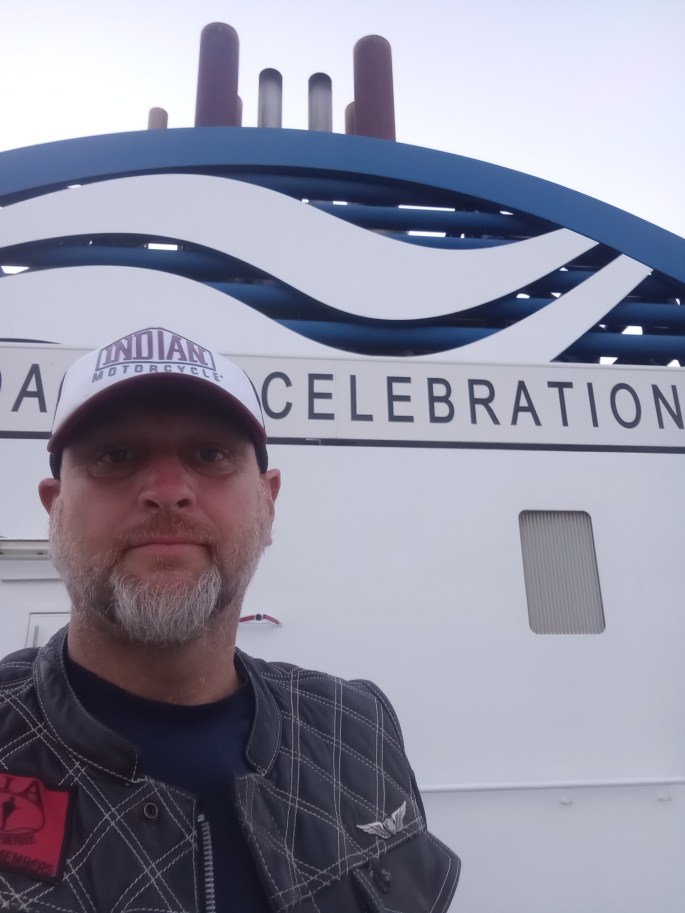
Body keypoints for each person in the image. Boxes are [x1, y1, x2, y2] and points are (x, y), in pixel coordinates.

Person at [0, 326, 460, 912]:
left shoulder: (358, 727)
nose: (168, 492)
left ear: (268, 501)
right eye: (116, 455)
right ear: (54, 506)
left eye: (210, 454)